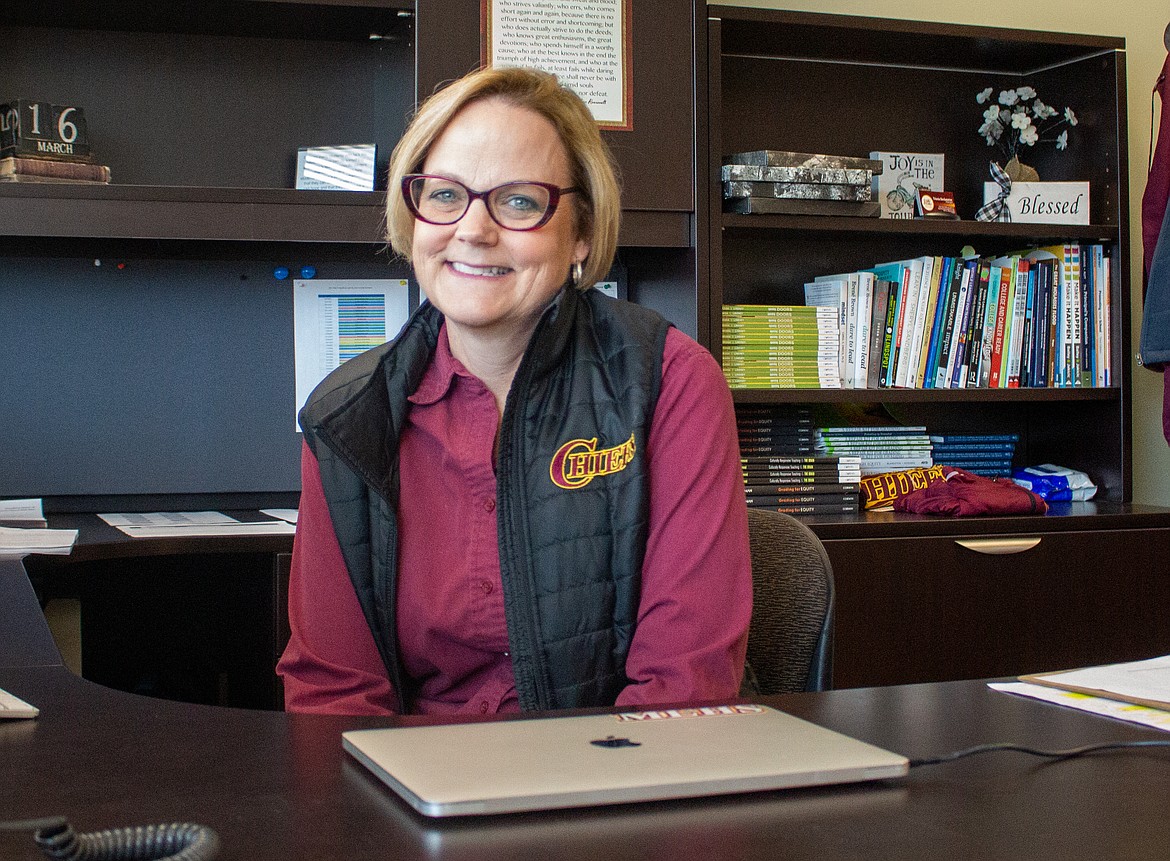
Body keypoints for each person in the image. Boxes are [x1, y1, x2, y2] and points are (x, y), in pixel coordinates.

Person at [277, 66, 751, 716]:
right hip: (417, 797)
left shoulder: (670, 382)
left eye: (520, 201)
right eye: (444, 195)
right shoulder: (347, 416)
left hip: (615, 788)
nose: (472, 229)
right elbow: (335, 694)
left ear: (581, 232)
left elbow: (684, 684)